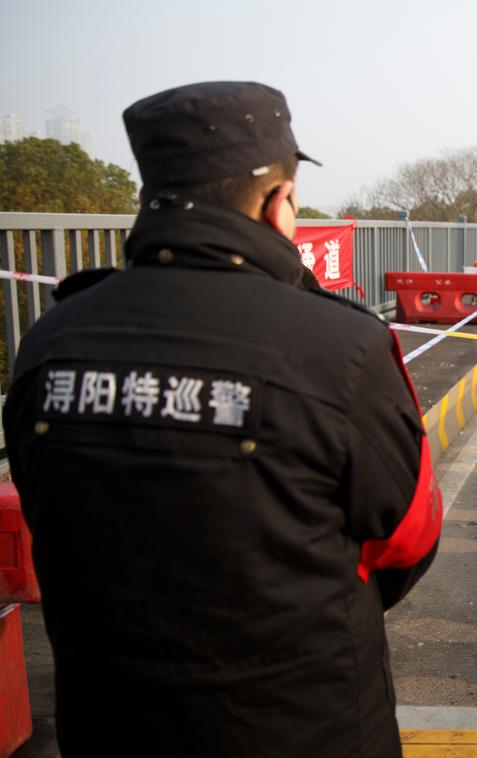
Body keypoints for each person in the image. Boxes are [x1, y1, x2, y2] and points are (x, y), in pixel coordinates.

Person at [2, 81, 443, 757]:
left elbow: (49, 511)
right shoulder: (341, 348)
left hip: (112, 724)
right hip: (307, 725)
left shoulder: (51, 339)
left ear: (150, 198)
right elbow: (408, 535)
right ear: (278, 203)